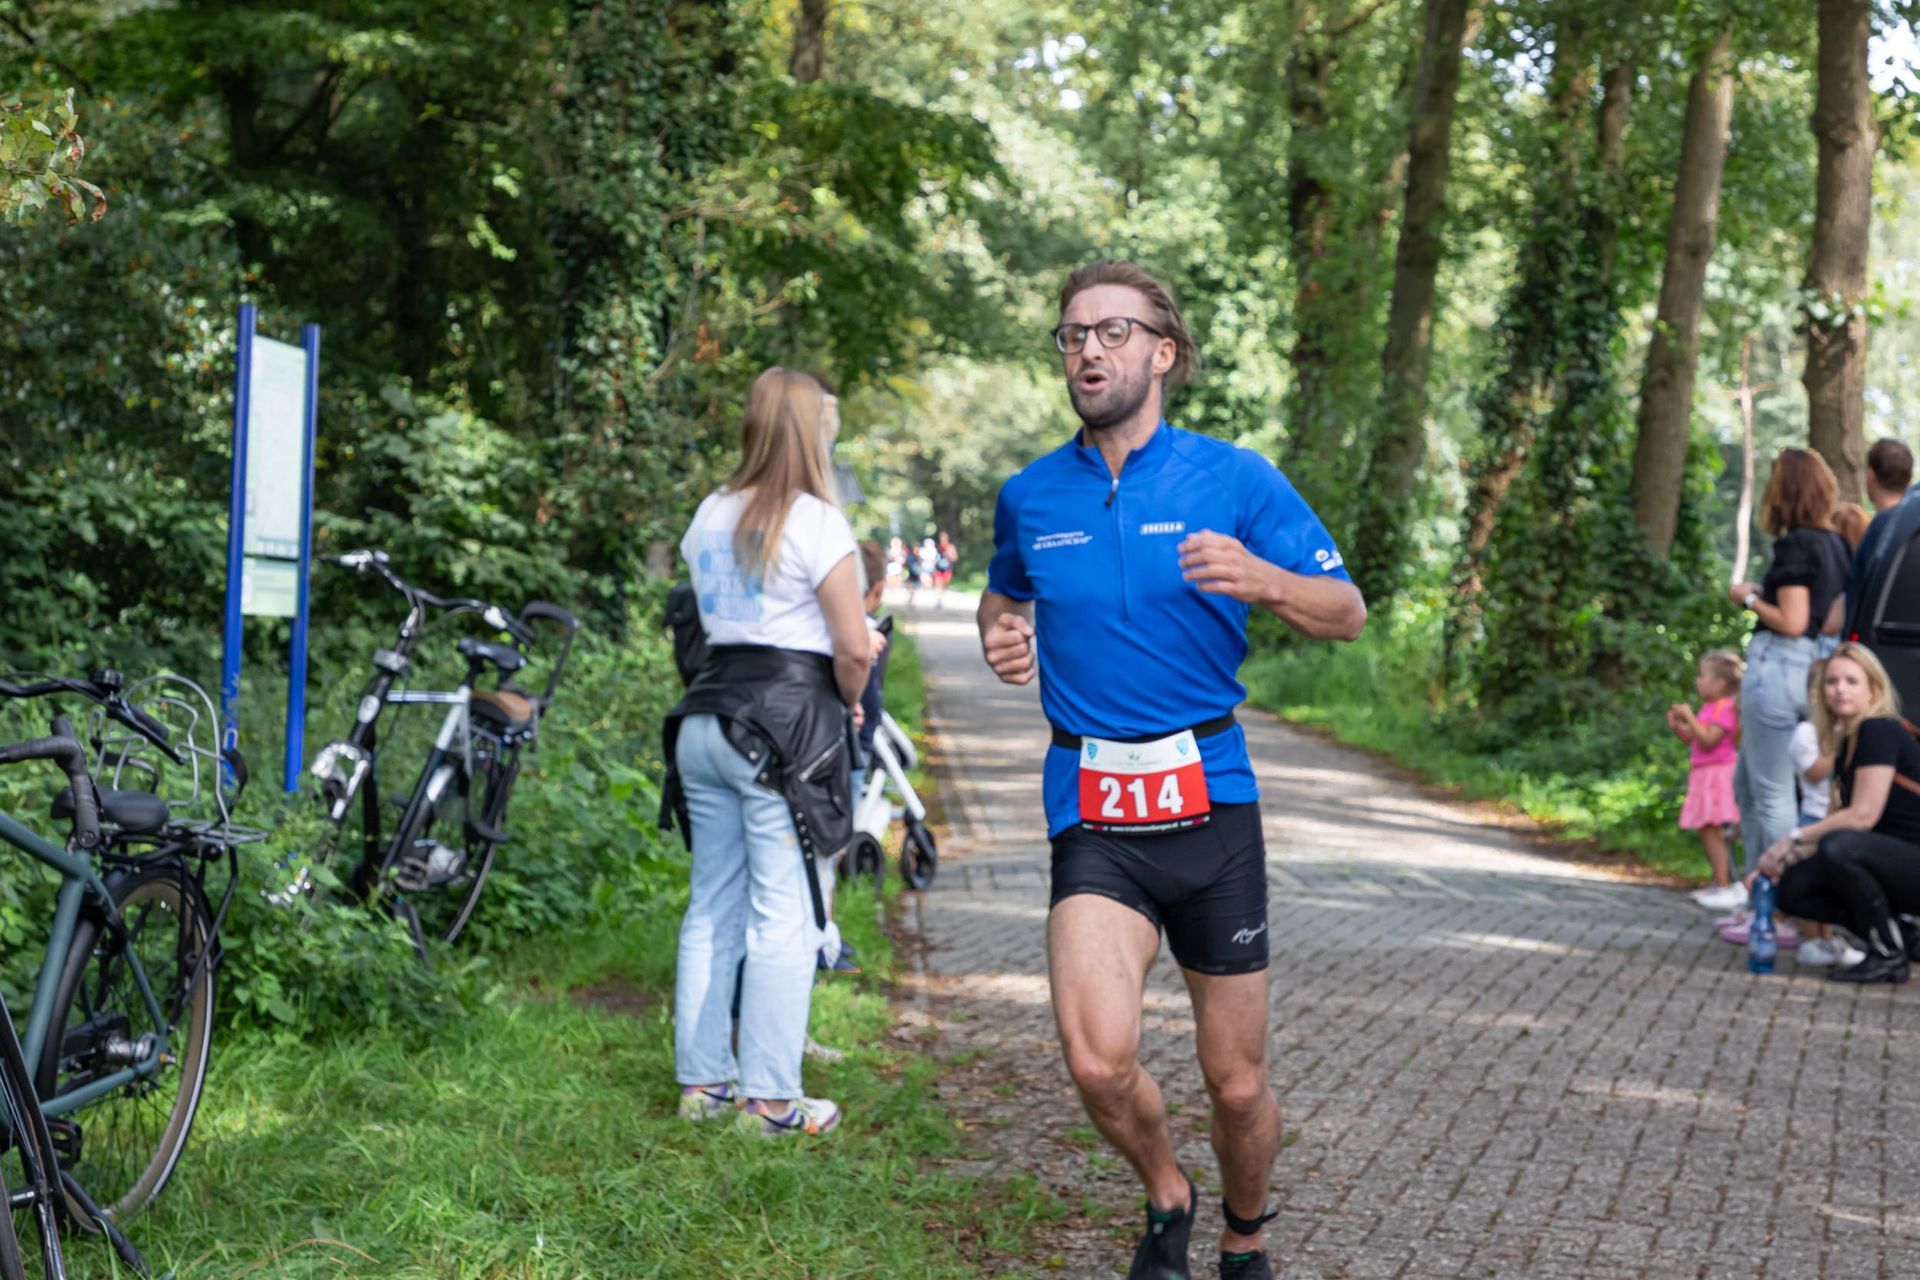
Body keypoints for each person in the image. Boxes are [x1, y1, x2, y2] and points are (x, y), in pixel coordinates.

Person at [978, 260, 1366, 1280]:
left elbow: (1346, 610)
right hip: (1093, 807)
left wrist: (1265, 578)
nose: (1089, 349)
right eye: (1073, 333)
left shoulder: (1235, 478)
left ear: (1165, 352)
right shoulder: (1030, 494)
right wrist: (999, 635)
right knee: (1098, 1060)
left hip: (1211, 805)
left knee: (1234, 1082)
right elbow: (1003, 596)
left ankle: (1245, 1232)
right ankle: (1166, 1191)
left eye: (1113, 330)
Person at [661, 366, 868, 1137]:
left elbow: (713, 619)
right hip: (783, 732)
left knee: (711, 905)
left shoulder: (709, 513)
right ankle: (772, 1102)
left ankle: (703, 1086)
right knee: (785, 913)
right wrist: (851, 694)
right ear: (813, 430)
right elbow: (851, 647)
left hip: (706, 720)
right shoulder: (816, 523)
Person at [1758, 643, 1920, 984]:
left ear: (1873, 690)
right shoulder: (1847, 745)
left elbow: (1862, 817)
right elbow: (1834, 823)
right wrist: (1783, 858)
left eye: (1851, 681)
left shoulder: (1879, 730)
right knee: (1794, 887)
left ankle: (1888, 954)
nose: (1840, 689)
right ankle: (1902, 937)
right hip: (1893, 861)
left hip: (1910, 859)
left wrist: (1791, 838)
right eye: (1832, 681)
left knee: (1840, 847)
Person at [1727, 449, 1851, 892]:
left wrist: (1746, 598)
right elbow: (1828, 619)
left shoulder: (1795, 543)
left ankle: (1776, 901)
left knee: (1772, 793)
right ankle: (1758, 894)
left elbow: (1793, 621)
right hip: (1812, 668)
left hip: (1777, 666)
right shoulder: (1837, 544)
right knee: (1748, 785)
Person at [1673, 650, 1744, 912]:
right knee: (1706, 829)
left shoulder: (1726, 708)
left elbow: (1708, 740)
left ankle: (1725, 885)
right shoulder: (1709, 707)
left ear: (1720, 684)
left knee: (1714, 830)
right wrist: (1679, 726)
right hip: (1704, 773)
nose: (1698, 681)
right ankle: (1718, 881)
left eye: (1703, 676)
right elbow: (1693, 738)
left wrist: (1689, 717)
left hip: (1718, 774)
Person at [1842, 438, 1913, 637]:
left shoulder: (1882, 526)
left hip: (1876, 640)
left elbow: (1858, 593)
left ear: (1870, 475)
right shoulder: (1912, 526)